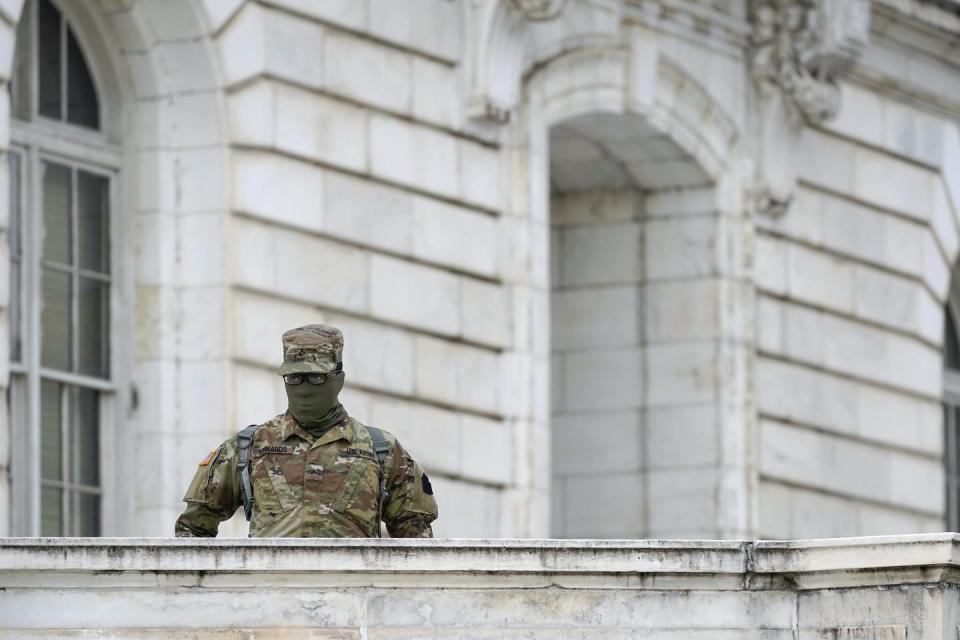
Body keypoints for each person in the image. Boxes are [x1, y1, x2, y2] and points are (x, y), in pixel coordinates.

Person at [174, 324, 438, 537]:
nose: (304, 388)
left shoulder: (382, 449)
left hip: (352, 594)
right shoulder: (248, 446)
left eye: (315, 378)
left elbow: (416, 546)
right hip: (269, 592)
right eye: (294, 378)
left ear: (338, 379)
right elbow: (192, 530)